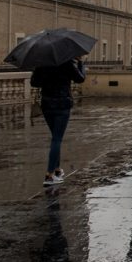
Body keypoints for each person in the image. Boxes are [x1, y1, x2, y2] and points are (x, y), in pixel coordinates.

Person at [31, 57, 86, 186]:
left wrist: (37, 71)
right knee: (56, 139)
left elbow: (34, 83)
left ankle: (56, 170)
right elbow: (80, 78)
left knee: (55, 137)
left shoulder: (42, 63)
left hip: (47, 104)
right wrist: (81, 63)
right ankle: (49, 175)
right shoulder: (66, 63)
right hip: (62, 104)